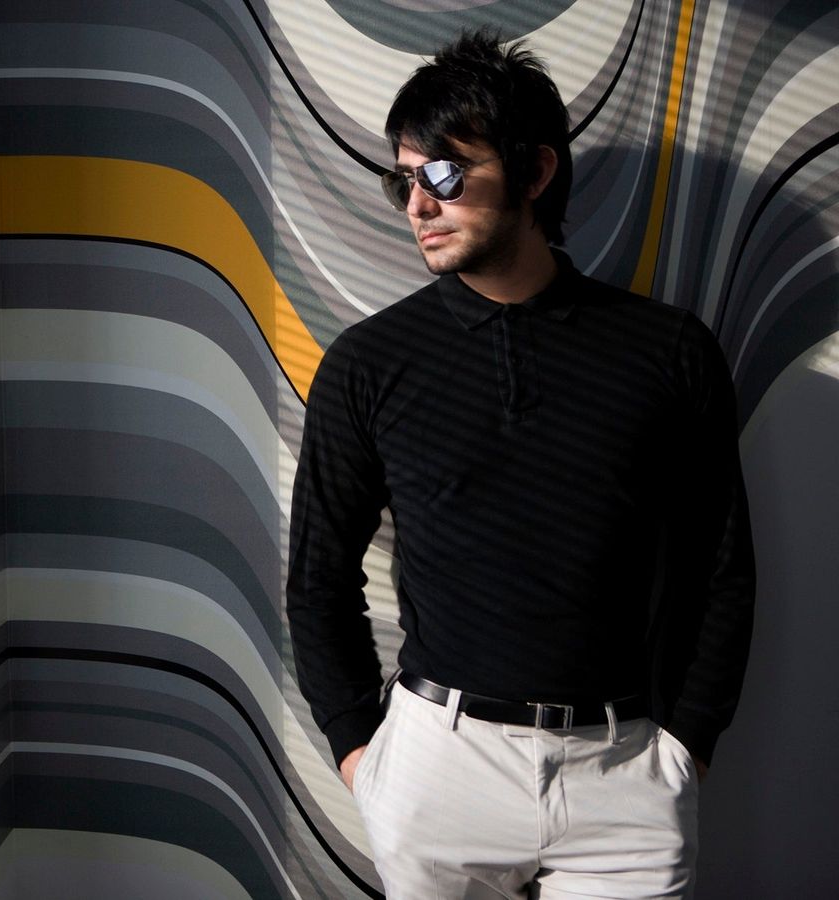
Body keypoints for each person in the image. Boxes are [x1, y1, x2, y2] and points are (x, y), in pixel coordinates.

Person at [286, 29, 755, 899]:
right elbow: (318, 577)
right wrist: (361, 755)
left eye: (443, 174)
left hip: (625, 772)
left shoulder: (669, 353)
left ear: (535, 172)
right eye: (403, 180)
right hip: (436, 768)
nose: (418, 205)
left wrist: (687, 746)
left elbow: (721, 569)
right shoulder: (368, 364)